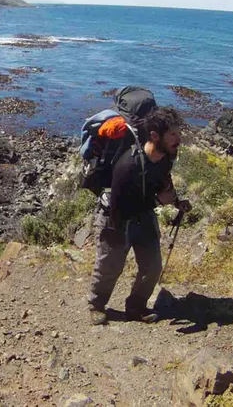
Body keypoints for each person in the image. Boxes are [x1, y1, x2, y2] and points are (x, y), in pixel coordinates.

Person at [88, 106, 192, 325]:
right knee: (110, 266)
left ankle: (136, 308)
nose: (178, 139)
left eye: (178, 133)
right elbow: (120, 207)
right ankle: (95, 305)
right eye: (173, 134)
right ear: (154, 136)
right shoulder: (127, 165)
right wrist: (157, 202)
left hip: (143, 215)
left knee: (152, 267)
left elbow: (163, 181)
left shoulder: (165, 157)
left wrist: (175, 201)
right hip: (114, 218)